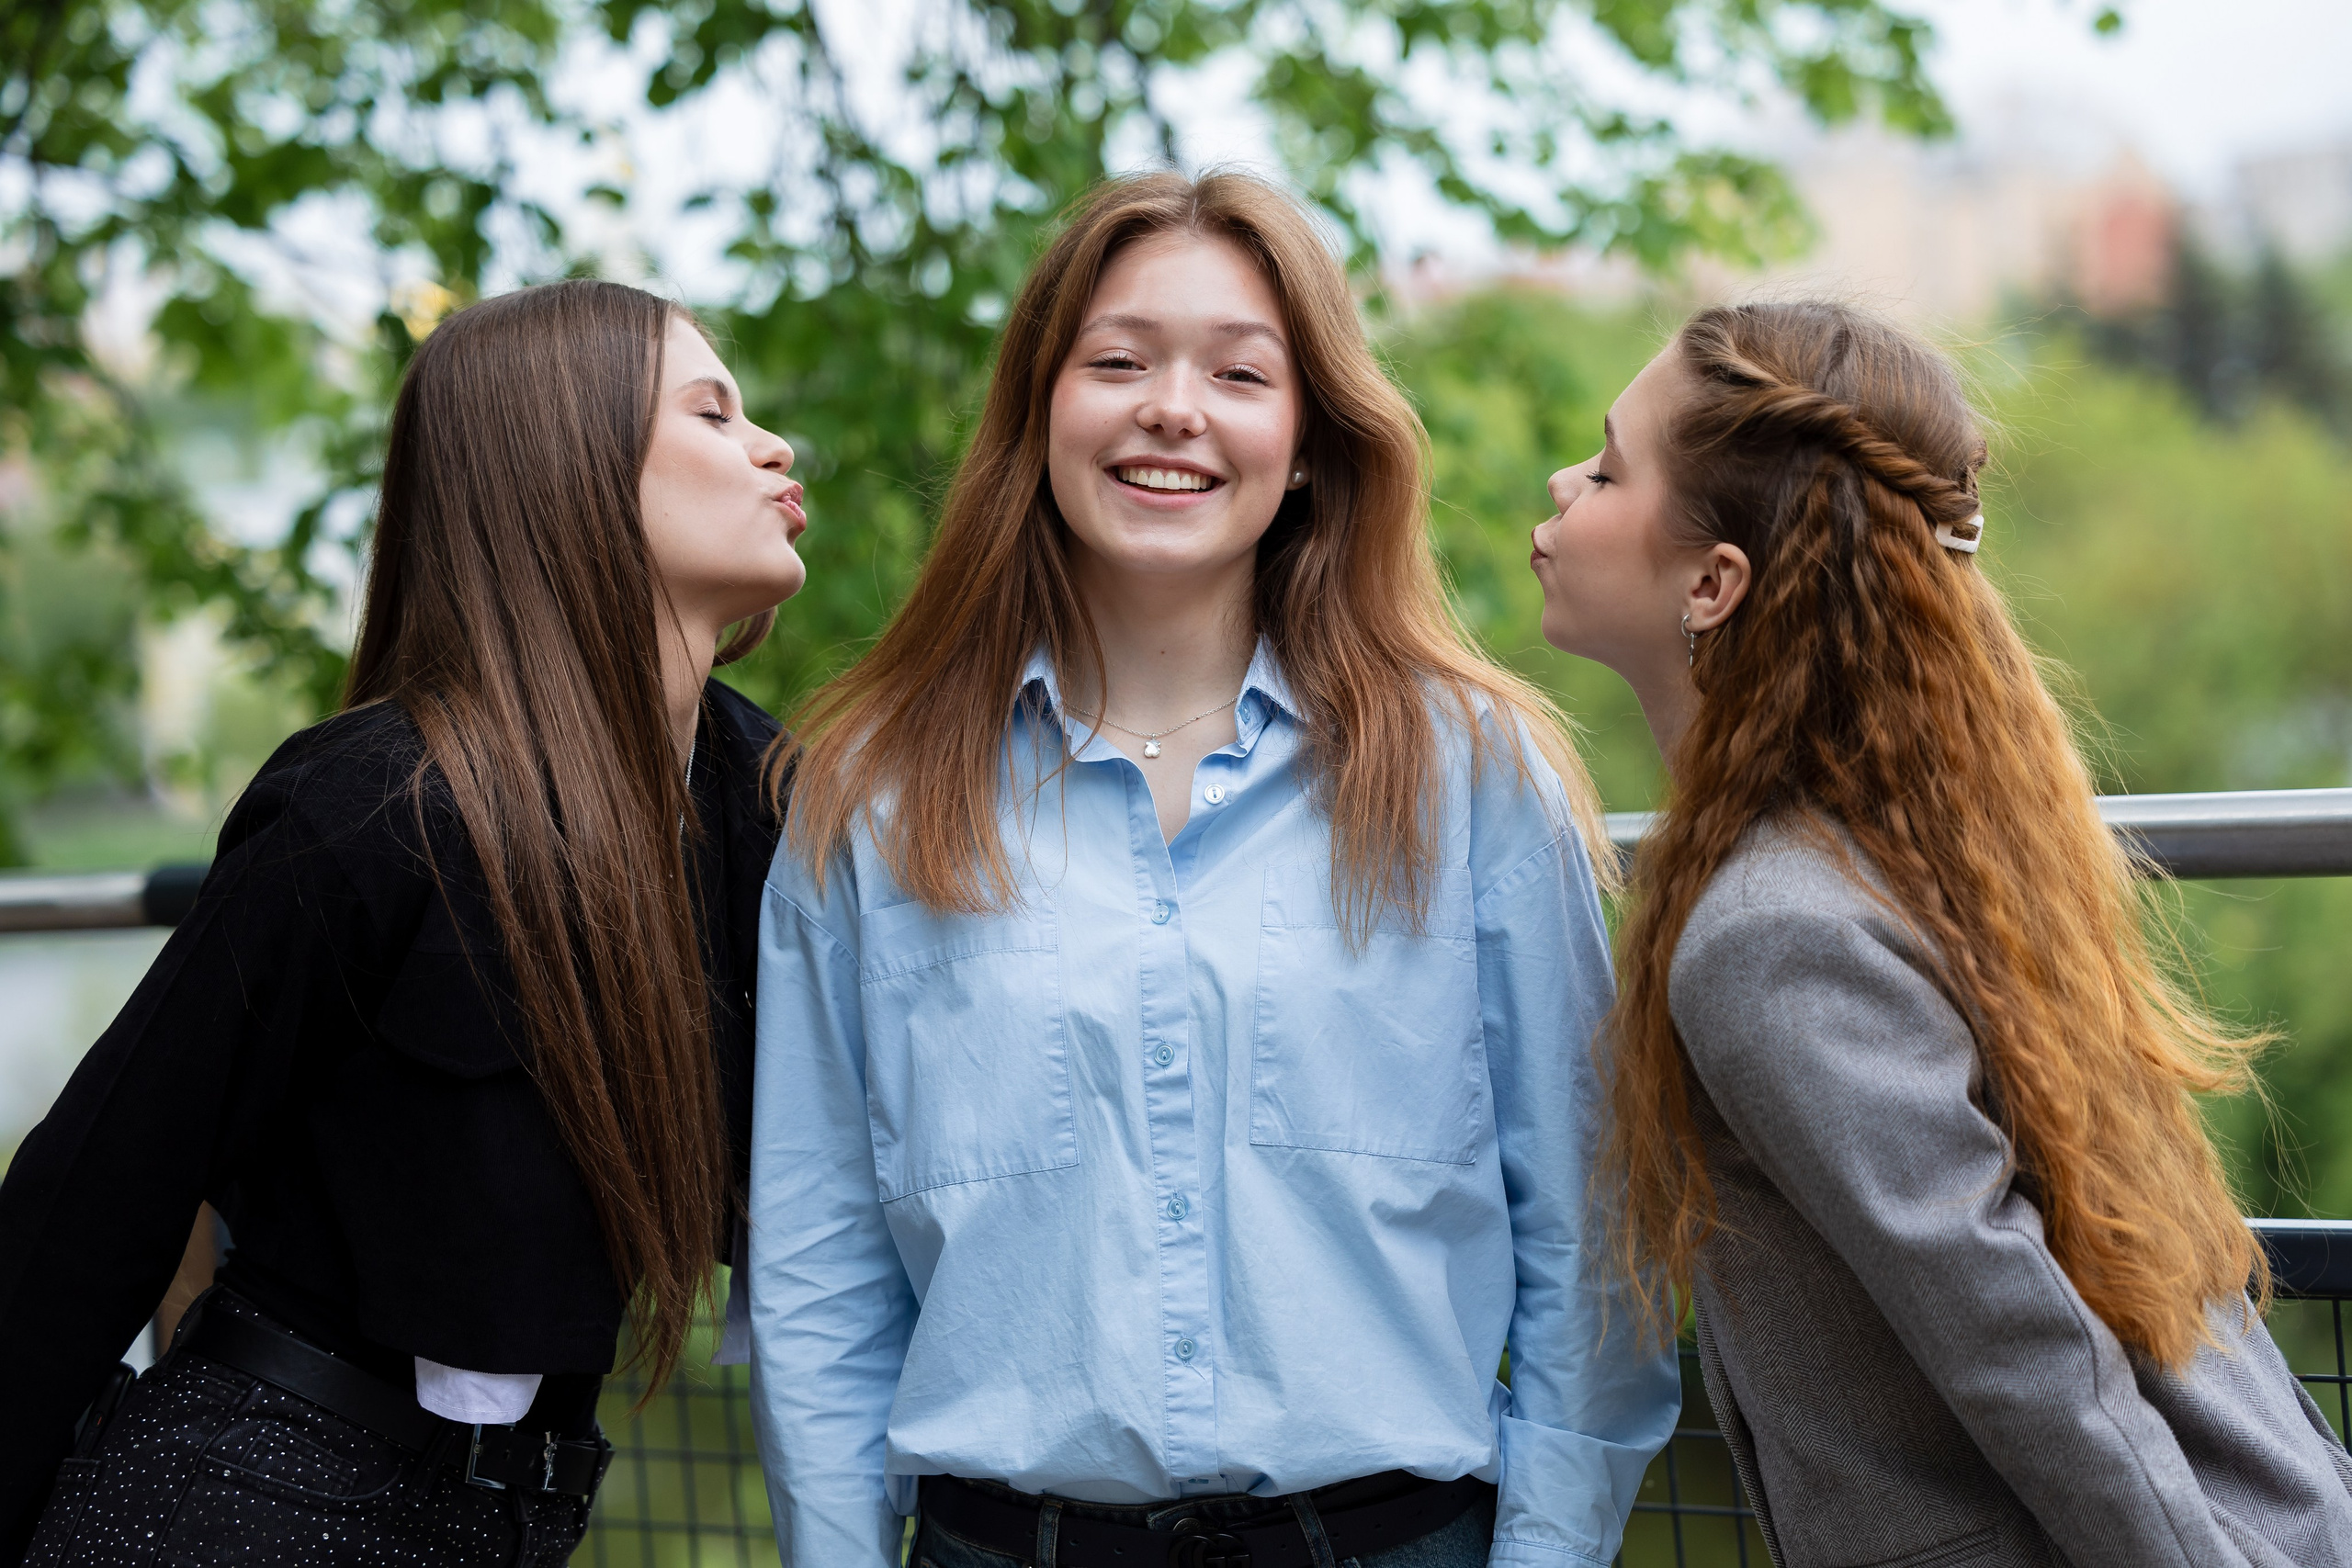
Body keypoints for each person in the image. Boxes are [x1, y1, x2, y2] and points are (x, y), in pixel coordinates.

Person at [746, 169, 1679, 1568]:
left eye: (1240, 373)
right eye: (1116, 360)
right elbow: (816, 1269)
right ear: (1038, 415)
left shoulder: (1475, 774)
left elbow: (1594, 1240)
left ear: (1308, 441)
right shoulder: (870, 793)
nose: (1171, 408)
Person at [0, 277, 808, 1566]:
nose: (773, 448)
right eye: (712, 413)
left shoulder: (761, 809)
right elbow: (91, 1204)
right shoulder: (373, 810)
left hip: (518, 1522)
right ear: (569, 470)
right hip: (243, 1508)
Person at [1532, 298, 2352, 1567]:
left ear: (1712, 582)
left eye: (1606, 466)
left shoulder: (1771, 932)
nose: (1561, 483)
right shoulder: (1920, 850)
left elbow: (2023, 1350)